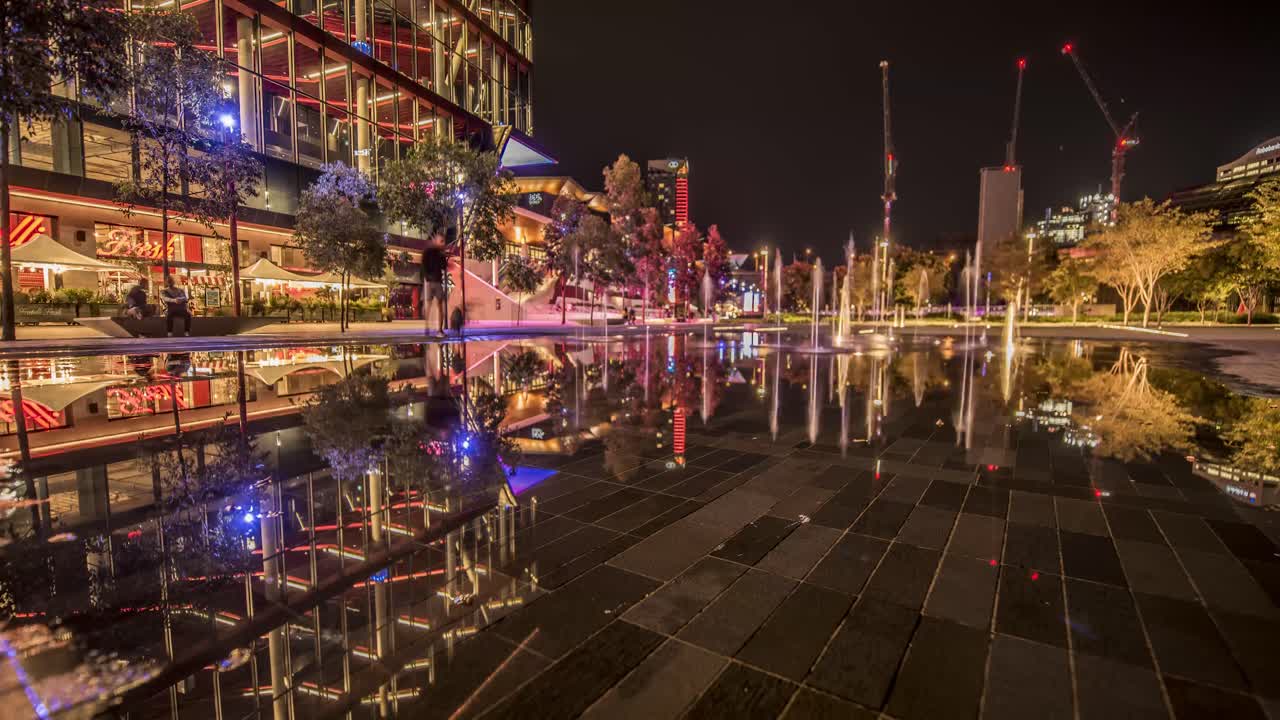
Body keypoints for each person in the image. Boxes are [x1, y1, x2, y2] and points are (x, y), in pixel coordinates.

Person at [421, 230, 449, 336]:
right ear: (436, 241)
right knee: (433, 305)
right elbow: (425, 265)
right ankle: (433, 329)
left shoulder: (435, 252)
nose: (443, 244)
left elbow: (443, 266)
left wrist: (443, 255)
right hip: (432, 281)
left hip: (434, 281)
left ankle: (434, 329)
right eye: (441, 241)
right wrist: (427, 277)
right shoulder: (430, 252)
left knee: (435, 305)